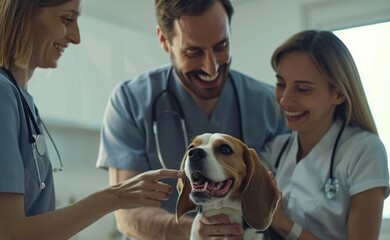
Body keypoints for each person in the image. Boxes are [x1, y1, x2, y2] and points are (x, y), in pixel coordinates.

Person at [96, 0, 287, 239]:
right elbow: (126, 213)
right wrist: (194, 232)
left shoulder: (271, 104)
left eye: (221, 46)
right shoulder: (130, 101)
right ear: (164, 41)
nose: (211, 67)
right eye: (193, 52)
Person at [0, 0, 178, 239]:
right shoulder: (3, 95)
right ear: (24, 14)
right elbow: (11, 233)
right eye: (67, 19)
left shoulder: (21, 99)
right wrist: (115, 196)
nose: (76, 37)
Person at [260, 30, 390, 239]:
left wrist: (283, 223)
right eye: (281, 84)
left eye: (302, 89)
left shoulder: (364, 151)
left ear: (338, 93)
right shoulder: (273, 150)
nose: (284, 100)